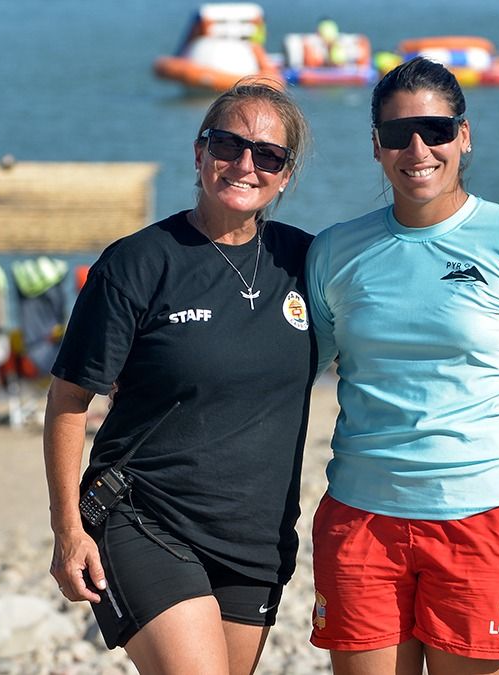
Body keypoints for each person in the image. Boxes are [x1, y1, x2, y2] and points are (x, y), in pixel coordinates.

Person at [305, 57, 499, 674]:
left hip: (486, 518)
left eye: (435, 130)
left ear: (464, 135)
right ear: (375, 146)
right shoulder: (334, 250)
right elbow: (295, 371)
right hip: (361, 519)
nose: (417, 148)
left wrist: (494, 455)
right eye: (396, 133)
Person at [44, 79, 317, 675]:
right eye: (228, 145)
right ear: (199, 153)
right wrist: (67, 530)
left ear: (285, 175)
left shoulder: (306, 262)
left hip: (256, 539)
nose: (245, 165)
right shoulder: (137, 263)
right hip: (143, 515)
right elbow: (67, 402)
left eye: (267, 155)